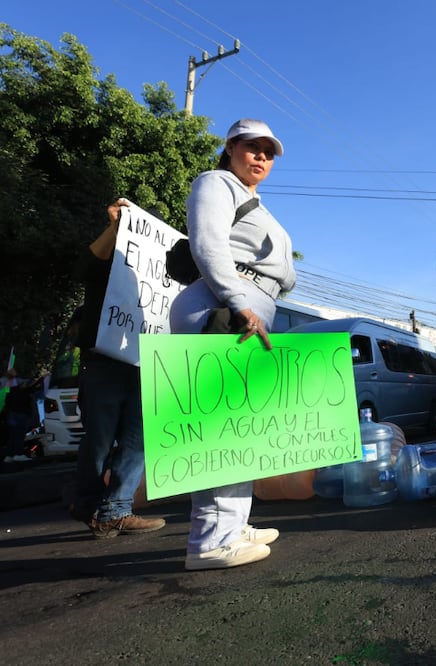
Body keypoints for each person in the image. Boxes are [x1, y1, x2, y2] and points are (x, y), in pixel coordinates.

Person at [169, 119, 296, 571]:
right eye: (252, 147)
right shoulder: (216, 181)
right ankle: (209, 540)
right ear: (230, 148)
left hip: (245, 309)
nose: (261, 156)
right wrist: (240, 302)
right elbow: (207, 243)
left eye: (269, 151)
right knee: (219, 426)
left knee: (240, 427)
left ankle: (232, 525)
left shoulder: (251, 199)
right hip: (223, 307)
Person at [69, 199, 166, 538]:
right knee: (99, 439)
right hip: (104, 363)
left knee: (138, 440)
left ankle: (115, 510)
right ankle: (87, 503)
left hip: (146, 364)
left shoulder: (162, 273)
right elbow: (84, 267)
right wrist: (113, 228)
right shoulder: (108, 259)